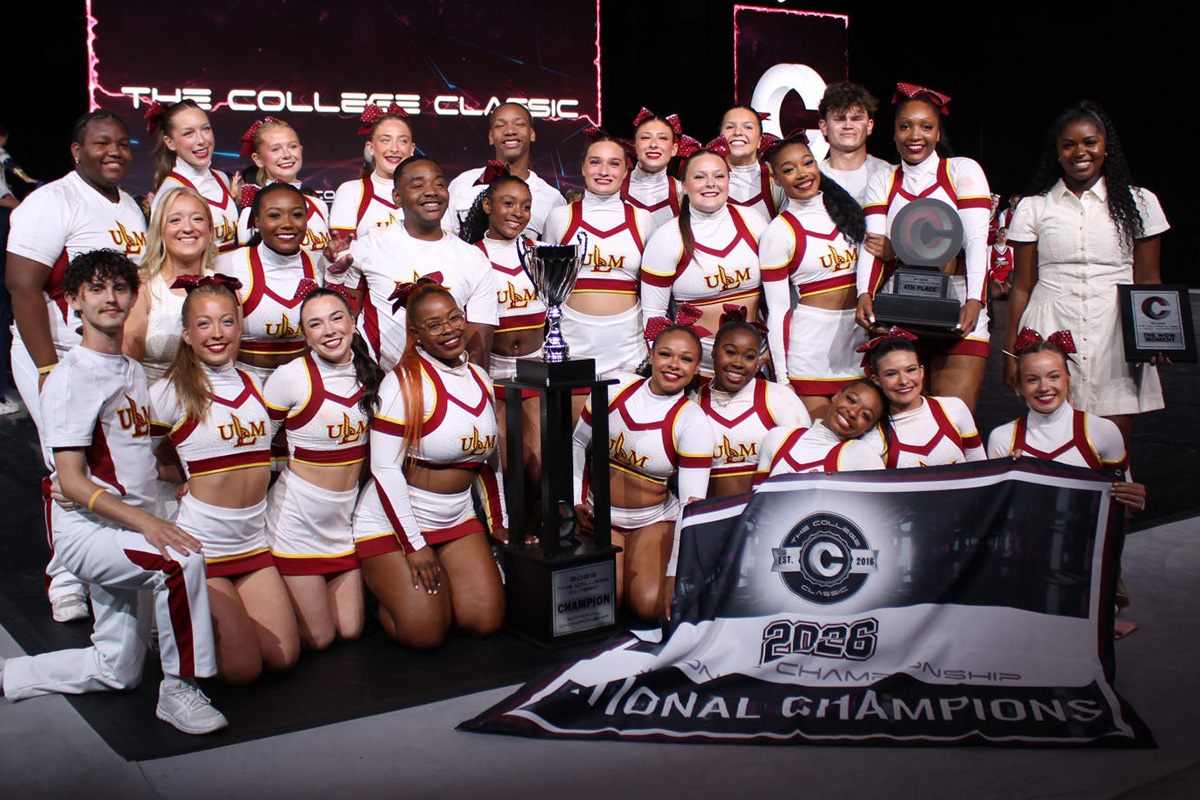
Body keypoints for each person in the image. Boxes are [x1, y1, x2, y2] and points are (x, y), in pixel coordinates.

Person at [0, 250, 226, 734]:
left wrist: (176, 475)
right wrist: (151, 523)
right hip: (94, 533)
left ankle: (10, 674)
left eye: (120, 288)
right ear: (75, 301)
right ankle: (180, 689)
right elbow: (72, 480)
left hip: (126, 526)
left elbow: (131, 453)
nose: (110, 297)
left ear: (133, 296)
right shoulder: (71, 376)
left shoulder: (126, 368)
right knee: (178, 561)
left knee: (117, 670)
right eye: (97, 289)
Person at [6, 111, 147, 623]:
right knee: (64, 464)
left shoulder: (129, 205)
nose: (114, 152)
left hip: (109, 356)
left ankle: (102, 562)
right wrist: (47, 368)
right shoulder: (51, 200)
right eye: (101, 143)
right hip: (58, 354)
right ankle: (64, 575)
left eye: (123, 144)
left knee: (108, 466)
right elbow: (23, 285)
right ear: (75, 150)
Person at [149, 278, 300, 684]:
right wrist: (176, 477)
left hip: (252, 542)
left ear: (240, 326)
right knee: (242, 670)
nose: (216, 334)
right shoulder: (168, 391)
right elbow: (137, 455)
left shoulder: (256, 385)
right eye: (203, 324)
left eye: (226, 322)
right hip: (203, 548)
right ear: (186, 334)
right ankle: (170, 613)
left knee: (283, 658)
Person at [1004, 101, 1169, 449]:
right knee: (1052, 440)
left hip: (1114, 332)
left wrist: (1156, 337)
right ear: (1058, 152)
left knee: (1112, 443)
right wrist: (1010, 355)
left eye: (1089, 142)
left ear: (1106, 147)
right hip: (1050, 330)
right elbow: (1021, 286)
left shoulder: (1140, 203)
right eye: (1069, 145)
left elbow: (1149, 281)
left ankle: (1114, 504)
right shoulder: (1036, 207)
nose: (1080, 152)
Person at [351, 283, 507, 650]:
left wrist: (501, 523)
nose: (450, 330)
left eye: (455, 318)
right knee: (425, 634)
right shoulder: (402, 383)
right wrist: (414, 545)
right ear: (416, 333)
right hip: (393, 525)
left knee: (485, 621)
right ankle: (383, 597)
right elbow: (385, 470)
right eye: (434, 325)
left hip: (456, 518)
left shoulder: (481, 379)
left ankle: (435, 588)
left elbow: (489, 463)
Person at [987, 330, 1145, 638]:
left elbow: (1123, 509)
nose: (1045, 387)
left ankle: (1102, 602)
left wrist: (1136, 500)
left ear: (1068, 379)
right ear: (1019, 386)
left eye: (1054, 376)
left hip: (1086, 563)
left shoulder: (1102, 431)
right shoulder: (1003, 439)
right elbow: (993, 518)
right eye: (1032, 379)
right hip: (1027, 562)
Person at [856, 84, 993, 412]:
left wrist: (975, 300)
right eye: (905, 126)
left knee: (953, 418)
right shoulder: (883, 179)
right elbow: (874, 245)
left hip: (958, 303)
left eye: (926, 126)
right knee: (907, 423)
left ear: (937, 131)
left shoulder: (962, 170)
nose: (915, 135)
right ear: (893, 133)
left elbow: (976, 241)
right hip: (902, 308)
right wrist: (863, 294)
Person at [264, 288, 383, 649]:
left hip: (343, 520)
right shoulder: (290, 377)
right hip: (297, 521)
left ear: (352, 321)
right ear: (304, 335)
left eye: (336, 318)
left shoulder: (371, 374)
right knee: (319, 638)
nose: (329, 330)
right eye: (314, 324)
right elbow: (255, 442)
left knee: (349, 630)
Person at [573, 325, 713, 621]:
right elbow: (577, 443)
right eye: (665, 354)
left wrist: (675, 575)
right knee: (598, 605)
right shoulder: (612, 387)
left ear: (697, 368)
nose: (674, 365)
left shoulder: (693, 421)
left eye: (686, 359)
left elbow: (692, 506)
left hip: (652, 521)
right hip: (597, 517)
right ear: (651, 355)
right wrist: (576, 501)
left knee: (649, 606)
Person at [330, 156, 497, 371]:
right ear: (397, 197)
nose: (431, 191)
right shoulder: (370, 245)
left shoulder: (474, 259)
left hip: (447, 388)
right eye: (418, 185)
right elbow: (347, 317)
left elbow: (478, 346)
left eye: (439, 184)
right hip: (379, 384)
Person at [760, 136, 867, 415]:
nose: (802, 173)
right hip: (810, 357)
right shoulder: (779, 232)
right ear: (776, 179)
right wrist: (782, 377)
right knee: (821, 442)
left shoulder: (849, 213)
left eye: (807, 163)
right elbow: (779, 311)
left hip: (859, 348)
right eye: (789, 169)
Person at [459, 174, 546, 515]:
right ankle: (501, 539)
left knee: (539, 468)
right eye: (508, 203)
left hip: (535, 370)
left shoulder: (540, 254)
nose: (518, 213)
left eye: (526, 206)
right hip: (491, 371)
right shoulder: (469, 256)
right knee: (505, 466)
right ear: (487, 205)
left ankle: (533, 541)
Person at [641, 144, 768, 375]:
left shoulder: (755, 222)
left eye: (719, 176)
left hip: (754, 363)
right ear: (684, 186)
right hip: (696, 370)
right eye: (699, 177)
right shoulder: (666, 239)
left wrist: (769, 355)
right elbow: (653, 315)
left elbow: (777, 297)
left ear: (729, 181)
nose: (711, 183)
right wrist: (670, 369)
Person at [544, 132, 654, 395]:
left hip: (628, 344)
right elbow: (547, 286)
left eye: (614, 163)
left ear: (626, 170)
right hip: (574, 340)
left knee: (624, 432)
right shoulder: (560, 217)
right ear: (583, 168)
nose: (604, 171)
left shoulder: (644, 219)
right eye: (595, 162)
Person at [214, 183, 321, 383]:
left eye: (297, 215)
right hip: (245, 384)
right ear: (256, 220)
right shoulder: (229, 265)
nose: (287, 223)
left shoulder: (320, 265)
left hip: (303, 386)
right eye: (274, 215)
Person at [696, 319, 809, 497]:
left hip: (768, 516)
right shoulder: (694, 404)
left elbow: (805, 462)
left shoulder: (780, 398)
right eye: (730, 352)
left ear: (758, 361)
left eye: (749, 356)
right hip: (712, 517)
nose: (739, 363)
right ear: (713, 352)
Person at [124, 187, 216, 380]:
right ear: (159, 230)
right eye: (175, 220)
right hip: (154, 404)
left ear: (209, 229)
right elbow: (128, 367)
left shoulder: (224, 285)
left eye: (197, 219)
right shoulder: (142, 286)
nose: (188, 227)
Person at [859, 331, 985, 467]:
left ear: (921, 371)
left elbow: (982, 472)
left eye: (910, 370)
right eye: (891, 374)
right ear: (876, 380)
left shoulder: (954, 408)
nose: (903, 381)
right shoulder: (873, 441)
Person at [446, 102, 566, 239]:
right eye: (500, 125)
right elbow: (445, 240)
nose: (510, 131)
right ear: (491, 136)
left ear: (532, 133)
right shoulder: (462, 184)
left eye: (519, 124)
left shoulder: (552, 198)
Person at [236, 118, 331, 263]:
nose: (287, 155)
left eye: (292, 146)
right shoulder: (252, 211)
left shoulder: (319, 205)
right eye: (275, 149)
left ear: (301, 150)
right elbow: (246, 266)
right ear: (258, 159)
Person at [148, 101, 239, 252]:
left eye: (205, 129)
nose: (201, 140)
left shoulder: (221, 178)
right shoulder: (171, 191)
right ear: (170, 142)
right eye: (188, 133)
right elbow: (159, 253)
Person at [756, 379, 887, 480]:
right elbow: (757, 506)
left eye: (865, 415)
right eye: (851, 400)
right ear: (836, 396)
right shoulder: (777, 438)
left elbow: (878, 511)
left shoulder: (862, 454)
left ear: (868, 429)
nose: (853, 413)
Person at [328, 104, 414, 240]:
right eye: (386, 140)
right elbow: (341, 253)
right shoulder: (351, 191)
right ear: (371, 147)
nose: (394, 148)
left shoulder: (427, 193)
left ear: (412, 149)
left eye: (402, 141)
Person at [817, 82, 892, 205]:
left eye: (856, 119)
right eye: (839, 119)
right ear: (824, 126)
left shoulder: (888, 175)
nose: (848, 126)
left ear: (869, 125)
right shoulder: (813, 179)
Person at [621, 108, 696, 228]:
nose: (654, 144)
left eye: (663, 138)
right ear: (634, 145)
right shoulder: (615, 188)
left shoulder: (684, 192)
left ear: (674, 149)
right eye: (645, 137)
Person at [719, 105, 786, 219]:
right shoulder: (704, 180)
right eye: (730, 126)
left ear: (760, 141)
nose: (738, 132)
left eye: (748, 127)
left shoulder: (776, 182)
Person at [989, 226, 1014, 301]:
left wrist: (1009, 281)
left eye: (1006, 234)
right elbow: (988, 267)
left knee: (1010, 294)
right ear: (998, 233)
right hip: (995, 280)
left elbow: (1013, 267)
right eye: (1002, 233)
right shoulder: (990, 248)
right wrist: (995, 279)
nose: (1004, 235)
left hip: (1007, 280)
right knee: (997, 293)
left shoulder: (1011, 249)